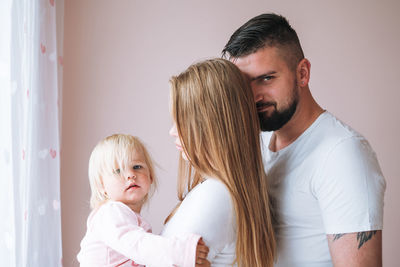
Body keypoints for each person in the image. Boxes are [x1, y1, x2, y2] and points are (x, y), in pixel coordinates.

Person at [222, 13, 386, 267]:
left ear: (302, 73)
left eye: (266, 78)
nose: (253, 97)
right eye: (244, 84)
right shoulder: (258, 143)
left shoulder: (342, 154)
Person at [162, 59, 276, 267]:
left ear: (209, 126)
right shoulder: (218, 191)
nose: (172, 132)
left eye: (181, 122)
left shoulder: (214, 196)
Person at [77, 134, 209, 267]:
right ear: (102, 186)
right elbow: (137, 244)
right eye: (118, 171)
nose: (130, 175)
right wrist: (182, 252)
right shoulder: (110, 212)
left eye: (137, 167)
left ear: (150, 176)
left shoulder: (130, 218)